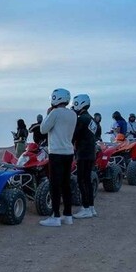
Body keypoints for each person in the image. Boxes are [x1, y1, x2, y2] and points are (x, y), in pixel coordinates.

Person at [39, 88, 77, 227]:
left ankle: (55, 216)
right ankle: (68, 215)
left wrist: (47, 114)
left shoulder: (55, 113)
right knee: (66, 184)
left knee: (54, 184)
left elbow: (43, 129)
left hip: (56, 152)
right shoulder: (72, 114)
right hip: (69, 152)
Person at [71, 94, 97, 219]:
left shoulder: (82, 119)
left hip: (83, 153)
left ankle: (85, 208)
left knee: (81, 180)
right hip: (91, 153)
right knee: (87, 181)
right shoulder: (91, 119)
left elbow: (74, 135)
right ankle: (91, 207)